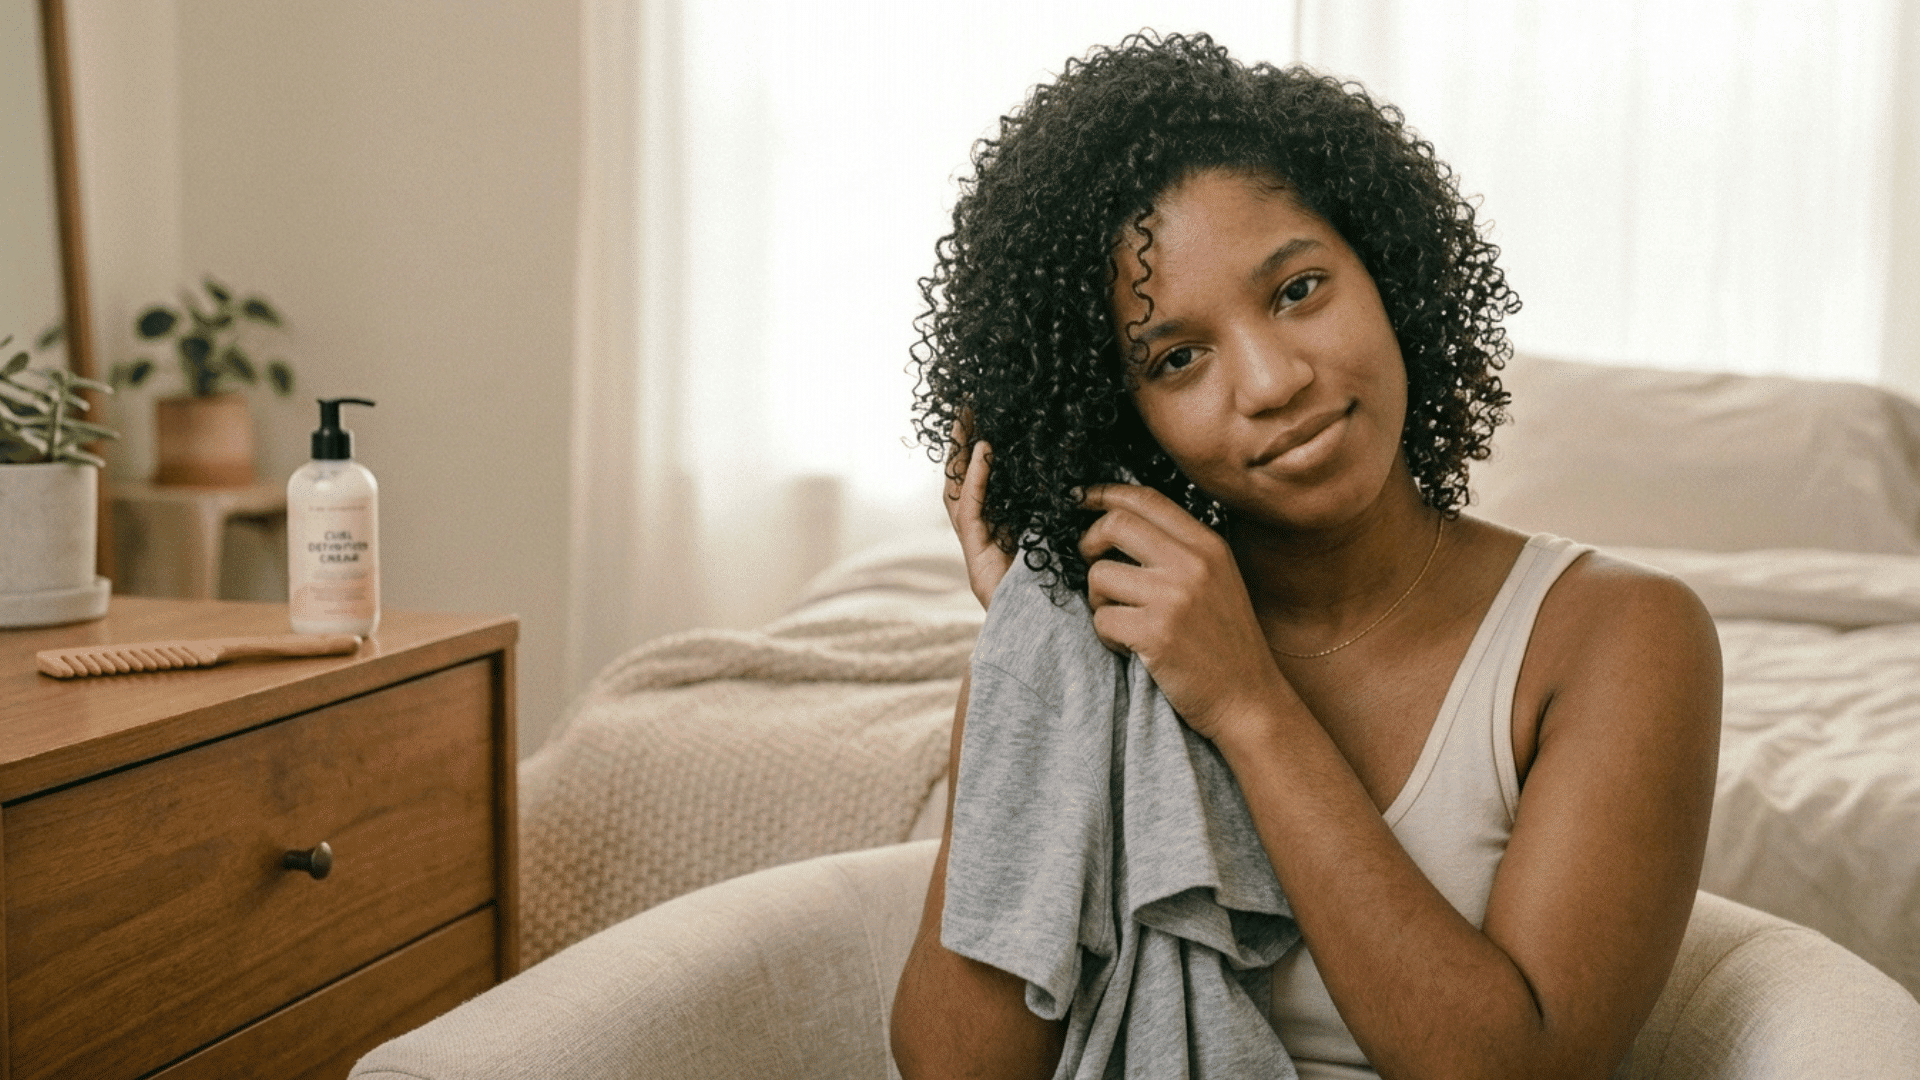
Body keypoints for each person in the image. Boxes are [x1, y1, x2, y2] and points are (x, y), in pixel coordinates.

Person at [889, 31, 1722, 1080]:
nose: (1272, 380)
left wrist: (1248, 703)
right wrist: (1036, 667)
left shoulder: (1619, 636)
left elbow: (1516, 1069)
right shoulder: (1098, 646)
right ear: (1123, 415)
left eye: (1297, 291)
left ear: (1387, 270)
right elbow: (960, 1073)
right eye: (1179, 357)